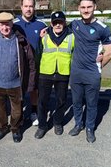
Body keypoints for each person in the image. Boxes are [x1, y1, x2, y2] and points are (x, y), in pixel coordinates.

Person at [0, 12, 36, 143]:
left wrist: (31, 83)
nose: (5, 28)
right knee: (0, 111)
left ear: (12, 24)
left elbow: (31, 63)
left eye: (7, 24)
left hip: (16, 85)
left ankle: (15, 129)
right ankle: (2, 128)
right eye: (1, 24)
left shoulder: (21, 41)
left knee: (17, 111)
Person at [68, 0, 111, 143]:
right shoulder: (74, 24)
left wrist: (99, 65)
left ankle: (89, 128)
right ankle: (78, 124)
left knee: (92, 103)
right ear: (79, 8)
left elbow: (110, 52)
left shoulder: (103, 28)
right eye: (83, 7)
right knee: (76, 102)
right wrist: (46, 31)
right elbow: (58, 29)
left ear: (95, 7)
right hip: (76, 72)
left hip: (92, 73)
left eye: (89, 7)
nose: (86, 10)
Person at [34, 11, 74, 139]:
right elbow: (38, 54)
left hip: (63, 73)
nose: (58, 25)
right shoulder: (44, 36)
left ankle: (57, 122)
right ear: (51, 24)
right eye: (55, 23)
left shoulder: (72, 37)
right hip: (45, 73)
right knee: (42, 101)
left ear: (64, 23)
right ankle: (42, 125)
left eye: (60, 22)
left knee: (61, 100)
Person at [14, 0, 47, 126]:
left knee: (34, 89)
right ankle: (19, 114)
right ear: (21, 7)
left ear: (34, 8)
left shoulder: (41, 25)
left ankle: (33, 112)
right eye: (26, 6)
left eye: (31, 6)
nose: (28, 9)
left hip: (36, 65)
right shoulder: (14, 24)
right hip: (18, 65)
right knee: (18, 90)